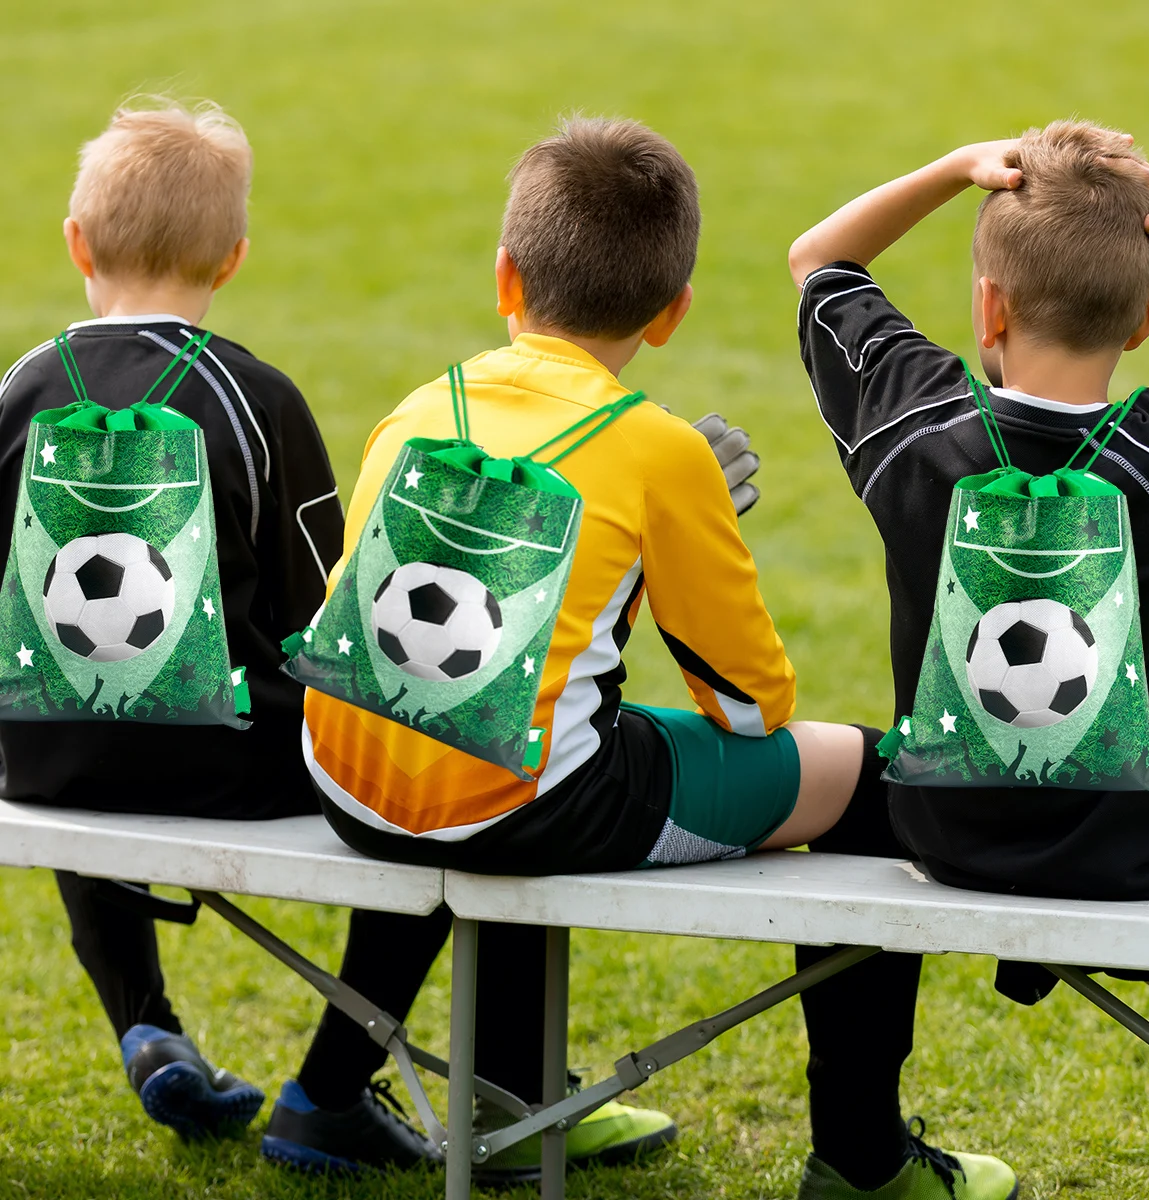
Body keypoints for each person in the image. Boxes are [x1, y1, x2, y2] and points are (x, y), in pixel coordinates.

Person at [291, 115, 1017, 1199]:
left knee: (530, 740)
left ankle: (504, 1101)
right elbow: (750, 705)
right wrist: (687, 526)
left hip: (347, 775)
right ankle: (864, 1163)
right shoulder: (662, 450)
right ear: (674, 313)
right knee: (864, 772)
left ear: (505, 274)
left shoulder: (416, 407)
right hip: (522, 801)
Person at [0, 98, 684, 1182]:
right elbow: (335, 614)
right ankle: (327, 1084)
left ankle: (144, 1019)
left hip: (36, 763)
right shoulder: (254, 396)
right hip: (234, 764)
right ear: (232, 259)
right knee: (413, 744)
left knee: (89, 701)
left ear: (76, 243)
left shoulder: (22, 386)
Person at [789, 115, 1149, 1177]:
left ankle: (858, 1157)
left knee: (845, 796)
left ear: (988, 305)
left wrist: (953, 167)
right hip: (1141, 844)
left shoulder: (914, 428)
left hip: (946, 828)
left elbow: (819, 259)